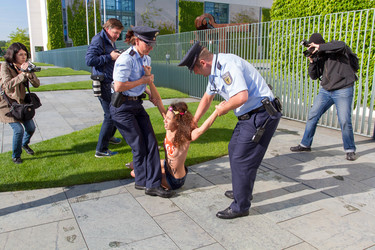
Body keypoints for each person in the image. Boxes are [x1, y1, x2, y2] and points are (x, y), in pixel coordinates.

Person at [178, 41, 282, 219]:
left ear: (203, 63)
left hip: (261, 114)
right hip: (248, 116)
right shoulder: (214, 72)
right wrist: (193, 122)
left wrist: (223, 110)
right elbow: (207, 98)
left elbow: (242, 96)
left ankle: (241, 206)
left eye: (194, 69)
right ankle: (241, 191)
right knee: (234, 149)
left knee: (242, 158)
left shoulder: (227, 65)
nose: (195, 73)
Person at [110, 26, 174, 198]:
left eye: (153, 43)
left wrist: (158, 104)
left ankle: (144, 181)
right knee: (140, 145)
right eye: (148, 43)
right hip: (122, 108)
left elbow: (145, 85)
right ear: (137, 41)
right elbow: (119, 86)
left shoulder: (146, 59)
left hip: (136, 104)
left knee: (151, 143)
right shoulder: (126, 59)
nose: (151, 47)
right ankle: (148, 182)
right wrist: (143, 80)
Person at [290, 33, 357, 161]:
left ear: (319, 44)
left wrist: (320, 47)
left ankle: (350, 149)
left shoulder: (335, 48)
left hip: (343, 89)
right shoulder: (319, 56)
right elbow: (314, 76)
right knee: (313, 115)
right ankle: (305, 144)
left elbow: (341, 44)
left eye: (314, 46)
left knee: (344, 120)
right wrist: (312, 61)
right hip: (326, 91)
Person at [85, 18, 123, 158]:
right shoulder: (98, 40)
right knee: (110, 115)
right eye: (115, 32)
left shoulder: (107, 40)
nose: (117, 36)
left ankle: (110, 137)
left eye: (119, 33)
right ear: (108, 29)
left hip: (108, 81)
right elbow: (89, 60)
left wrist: (115, 55)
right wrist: (109, 57)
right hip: (102, 83)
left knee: (114, 111)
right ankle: (101, 149)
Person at [0, 42, 40, 164]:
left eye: (25, 54)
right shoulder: (5, 67)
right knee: (18, 130)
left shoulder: (24, 66)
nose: (24, 57)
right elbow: (7, 85)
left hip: (21, 104)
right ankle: (16, 156)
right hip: (8, 104)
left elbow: (37, 84)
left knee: (31, 128)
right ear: (13, 55)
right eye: (20, 54)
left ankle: (24, 144)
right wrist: (22, 74)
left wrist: (29, 74)